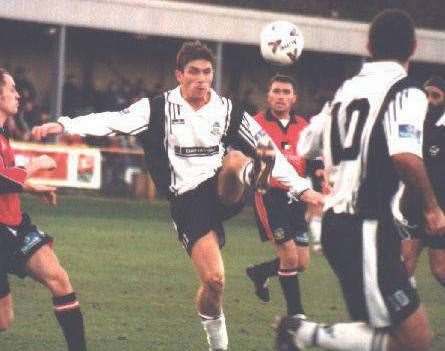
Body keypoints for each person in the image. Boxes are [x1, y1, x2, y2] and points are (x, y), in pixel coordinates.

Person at [32, 41, 323, 351]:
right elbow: (110, 120)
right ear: (179, 75)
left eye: (207, 72)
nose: (201, 78)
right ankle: (218, 344)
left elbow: (271, 151)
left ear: (213, 74)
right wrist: (64, 124)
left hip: (221, 188)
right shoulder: (157, 108)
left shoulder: (226, 110)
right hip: (186, 202)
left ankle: (251, 175)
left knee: (238, 159)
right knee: (214, 282)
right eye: (194, 72)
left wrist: (304, 190)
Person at [275, 9, 445, 351]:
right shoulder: (407, 92)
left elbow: (306, 143)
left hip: (344, 225)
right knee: (414, 340)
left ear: (368, 44)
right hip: (364, 226)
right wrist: (432, 207)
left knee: (401, 339)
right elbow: (405, 157)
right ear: (413, 48)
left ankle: (299, 332)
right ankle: (299, 332)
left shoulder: (346, 90)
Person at [0, 68, 87, 351]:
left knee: (59, 278)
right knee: (3, 320)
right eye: (12, 88)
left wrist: (35, 188)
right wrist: (36, 164)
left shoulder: (3, 135)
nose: (18, 94)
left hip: (14, 225)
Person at [245, 74, 311, 321]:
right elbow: (254, 164)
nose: (281, 96)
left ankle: (259, 272)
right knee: (290, 257)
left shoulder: (304, 125)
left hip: (297, 199)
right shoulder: (256, 124)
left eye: (286, 92)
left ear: (294, 98)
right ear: (268, 95)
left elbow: (313, 159)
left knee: (301, 262)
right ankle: (296, 314)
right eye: (276, 91)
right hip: (270, 196)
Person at [394, 76, 445, 287]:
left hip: (439, 209)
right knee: (403, 265)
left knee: (440, 270)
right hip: (413, 205)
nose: (430, 100)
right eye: (426, 95)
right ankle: (393, 318)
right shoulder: (414, 123)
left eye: (436, 96)